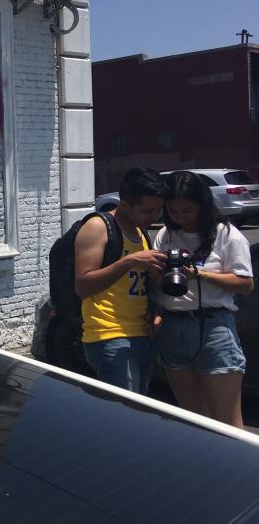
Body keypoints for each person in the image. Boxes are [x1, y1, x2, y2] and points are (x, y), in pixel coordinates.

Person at [153, 171, 253, 428]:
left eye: (187, 210)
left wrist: (202, 274)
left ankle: (234, 468)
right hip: (172, 327)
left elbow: (245, 284)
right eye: (173, 211)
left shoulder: (226, 234)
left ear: (203, 204)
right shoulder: (166, 234)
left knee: (226, 423)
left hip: (213, 327)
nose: (180, 218)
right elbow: (154, 283)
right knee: (192, 419)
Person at [74, 167, 167, 393]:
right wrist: (129, 261)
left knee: (136, 414)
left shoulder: (141, 233)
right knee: (123, 415)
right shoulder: (98, 227)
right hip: (109, 334)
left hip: (143, 333)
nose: (154, 217)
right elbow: (83, 286)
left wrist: (156, 308)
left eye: (158, 210)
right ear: (125, 205)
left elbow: (138, 286)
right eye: (147, 211)